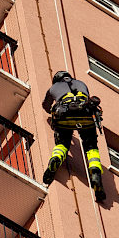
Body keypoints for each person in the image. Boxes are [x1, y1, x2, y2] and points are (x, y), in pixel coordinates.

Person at [42, 71, 106, 201]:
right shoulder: (81, 83)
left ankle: (56, 159)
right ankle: (95, 172)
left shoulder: (53, 88)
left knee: (62, 144)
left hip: (64, 115)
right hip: (86, 115)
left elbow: (46, 106)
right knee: (91, 147)